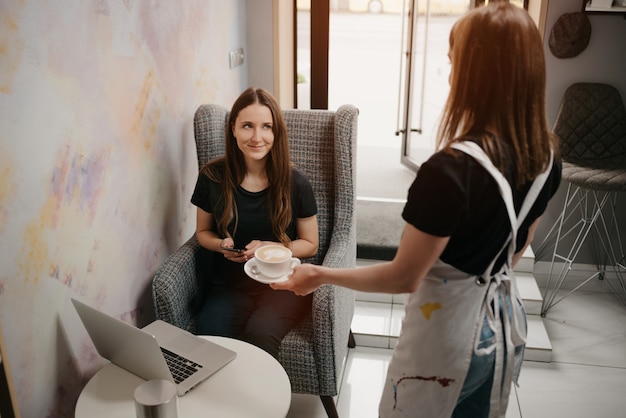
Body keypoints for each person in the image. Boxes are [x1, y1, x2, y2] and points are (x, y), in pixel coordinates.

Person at [272, 3, 562, 417]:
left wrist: (318, 275)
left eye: (453, 61)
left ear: (476, 74)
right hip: (500, 331)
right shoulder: (547, 155)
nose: (448, 73)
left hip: (447, 342)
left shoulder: (450, 171)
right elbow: (515, 250)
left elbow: (404, 276)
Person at [191, 87, 319, 359]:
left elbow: (310, 244)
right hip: (228, 286)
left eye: (266, 127)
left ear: (276, 133)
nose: (257, 137)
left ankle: (262, 401)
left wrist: (272, 248)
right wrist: (220, 244)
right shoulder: (211, 176)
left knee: (259, 338)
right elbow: (202, 233)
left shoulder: (297, 182)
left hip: (281, 285)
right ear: (233, 128)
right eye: (247, 126)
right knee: (205, 347)